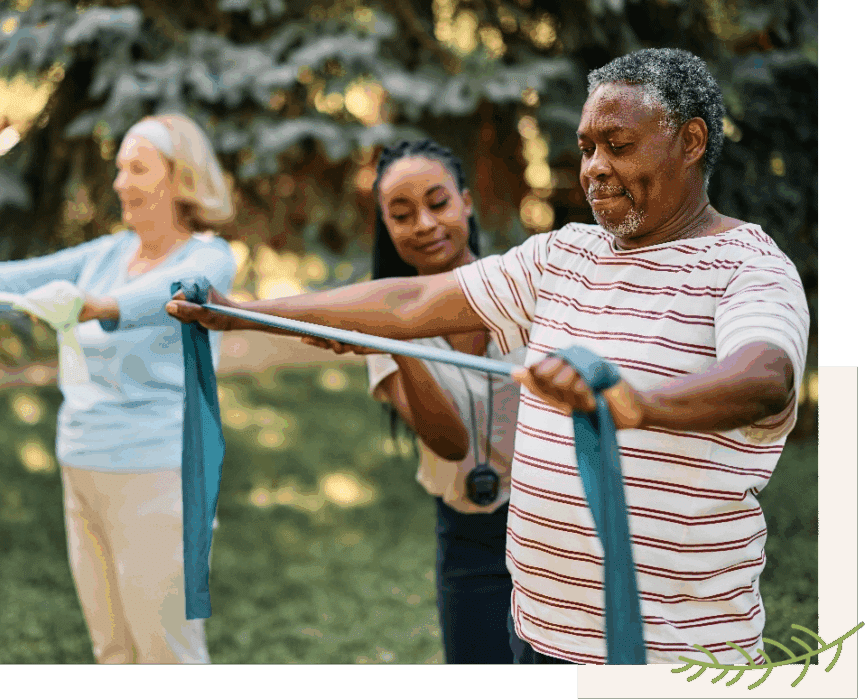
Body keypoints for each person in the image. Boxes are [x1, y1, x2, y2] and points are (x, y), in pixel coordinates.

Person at [166, 48, 809, 665]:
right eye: (586, 147)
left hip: (672, 652)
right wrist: (240, 309)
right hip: (534, 632)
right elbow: (414, 301)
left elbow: (765, 376)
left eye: (618, 145)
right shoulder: (566, 254)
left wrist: (638, 403)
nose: (592, 167)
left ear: (691, 142)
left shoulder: (749, 268)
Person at [0, 113, 238, 664]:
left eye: (138, 168)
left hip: (159, 477)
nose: (121, 182)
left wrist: (99, 305)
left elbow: (177, 294)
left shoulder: (209, 256)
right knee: (113, 651)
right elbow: (10, 280)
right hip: (82, 466)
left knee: (168, 654)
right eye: (120, 168)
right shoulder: (105, 255)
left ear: (180, 179)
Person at [303, 139, 523, 664]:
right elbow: (449, 443)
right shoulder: (379, 324)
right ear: (386, 225)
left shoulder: (523, 287)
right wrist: (398, 344)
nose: (423, 224)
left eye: (438, 203)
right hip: (467, 537)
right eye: (401, 214)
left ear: (467, 203)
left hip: (554, 521)